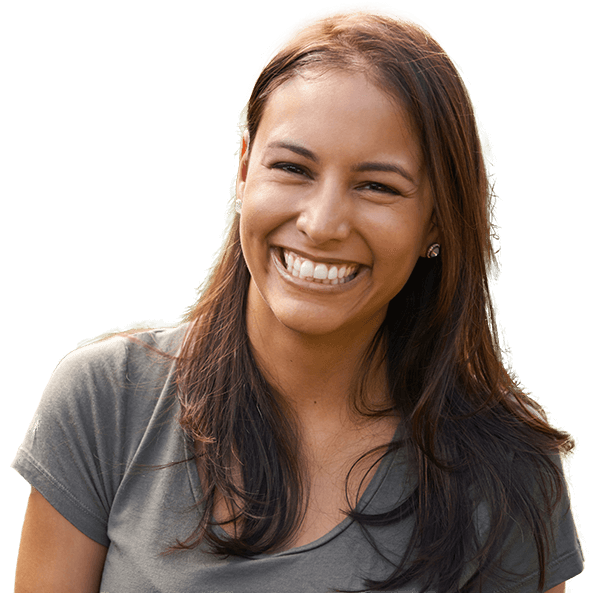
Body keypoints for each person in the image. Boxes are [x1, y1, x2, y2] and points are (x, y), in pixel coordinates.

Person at [12, 4, 584, 592]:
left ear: (436, 221)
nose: (322, 222)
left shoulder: (507, 466)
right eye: (292, 167)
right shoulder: (104, 404)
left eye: (377, 186)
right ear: (243, 172)